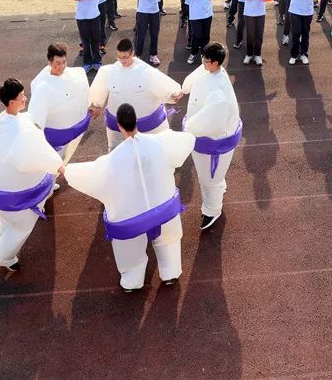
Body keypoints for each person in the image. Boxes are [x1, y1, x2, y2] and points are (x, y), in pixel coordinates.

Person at [65, 103, 196, 291]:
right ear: (136, 120)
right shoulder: (161, 143)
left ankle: (133, 281)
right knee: (169, 241)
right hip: (165, 209)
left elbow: (90, 174)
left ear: (119, 126)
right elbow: (188, 139)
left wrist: (66, 170)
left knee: (130, 254)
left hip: (132, 220)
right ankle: (171, 272)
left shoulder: (112, 160)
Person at [0, 79, 64, 270]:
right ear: (12, 102)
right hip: (17, 198)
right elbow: (37, 153)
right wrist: (57, 165)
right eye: (22, 96)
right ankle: (3, 256)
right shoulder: (24, 132)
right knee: (21, 227)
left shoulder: (3, 118)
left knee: (6, 220)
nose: (25, 98)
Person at [181, 42, 242, 230]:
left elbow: (212, 121)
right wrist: (181, 91)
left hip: (213, 143)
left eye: (206, 60)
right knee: (211, 177)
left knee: (209, 180)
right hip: (207, 140)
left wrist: (187, 130)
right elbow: (191, 81)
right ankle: (219, 187)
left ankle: (212, 210)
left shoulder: (219, 92)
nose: (203, 63)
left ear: (215, 63)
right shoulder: (210, 70)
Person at [90, 38, 184, 151]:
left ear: (132, 53)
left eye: (125, 57)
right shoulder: (108, 72)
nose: (122, 61)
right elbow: (96, 95)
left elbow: (169, 90)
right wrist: (95, 105)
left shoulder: (147, 71)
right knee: (118, 152)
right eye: (119, 57)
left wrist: (173, 94)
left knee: (152, 152)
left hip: (147, 127)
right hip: (117, 128)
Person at [29, 43, 97, 177]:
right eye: (57, 63)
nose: (61, 66)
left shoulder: (75, 74)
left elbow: (81, 92)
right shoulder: (42, 86)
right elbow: (36, 119)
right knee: (50, 162)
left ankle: (53, 177)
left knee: (64, 159)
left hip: (73, 130)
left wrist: (89, 106)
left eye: (64, 62)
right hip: (54, 136)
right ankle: (48, 184)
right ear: (49, 62)